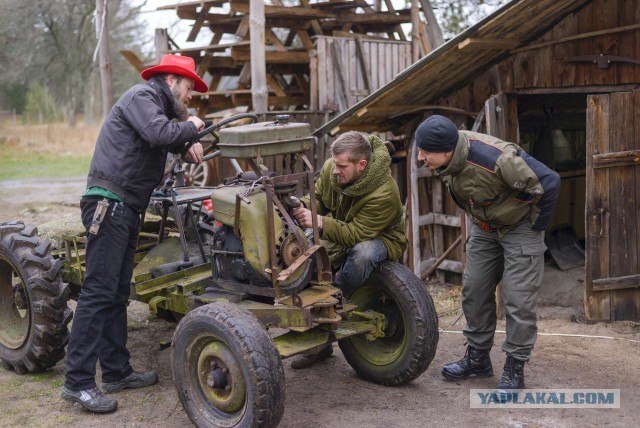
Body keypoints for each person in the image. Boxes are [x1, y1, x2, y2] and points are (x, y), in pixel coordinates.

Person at [61, 54, 208, 413]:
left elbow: (161, 138)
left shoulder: (155, 107)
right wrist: (192, 126)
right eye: (189, 88)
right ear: (172, 80)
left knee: (115, 293)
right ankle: (77, 383)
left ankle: (116, 372)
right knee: (97, 291)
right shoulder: (141, 97)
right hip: (108, 204)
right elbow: (158, 133)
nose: (191, 96)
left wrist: (184, 142)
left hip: (127, 207)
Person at [414, 115, 560, 390]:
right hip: (485, 225)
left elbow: (549, 182)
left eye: (425, 152)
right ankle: (478, 358)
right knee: (475, 288)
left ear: (446, 150)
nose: (421, 157)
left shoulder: (494, 158)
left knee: (518, 297)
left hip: (520, 226)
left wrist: (535, 226)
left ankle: (515, 367)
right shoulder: (448, 157)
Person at [291, 131, 407, 369]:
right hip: (341, 229)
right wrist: (302, 205)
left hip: (378, 236)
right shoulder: (332, 170)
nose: (335, 171)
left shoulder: (384, 193)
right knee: (301, 253)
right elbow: (320, 198)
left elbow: (355, 234)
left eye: (342, 166)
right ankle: (319, 346)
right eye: (334, 164)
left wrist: (321, 222)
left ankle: (340, 297)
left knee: (362, 254)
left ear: (361, 165)